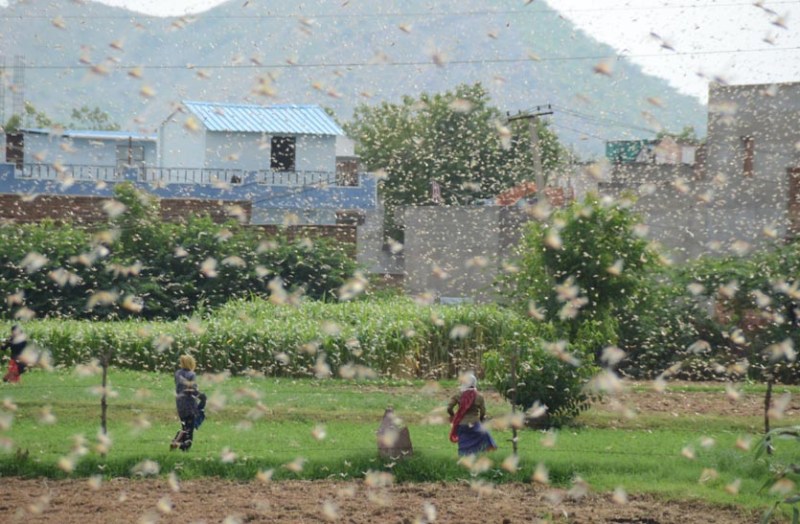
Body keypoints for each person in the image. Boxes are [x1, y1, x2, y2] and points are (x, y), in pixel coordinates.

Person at [447, 373, 497, 456]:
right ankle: (478, 455)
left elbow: (449, 408)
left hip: (461, 423)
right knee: (485, 436)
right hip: (474, 423)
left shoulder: (458, 395)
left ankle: (463, 457)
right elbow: (483, 411)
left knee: (463, 442)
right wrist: (480, 420)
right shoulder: (479, 396)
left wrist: (453, 416)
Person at [171, 354, 204, 451]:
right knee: (190, 428)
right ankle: (184, 447)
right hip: (189, 404)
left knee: (185, 425)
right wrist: (202, 396)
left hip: (180, 403)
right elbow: (192, 389)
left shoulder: (177, 373)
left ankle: (176, 441)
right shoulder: (191, 374)